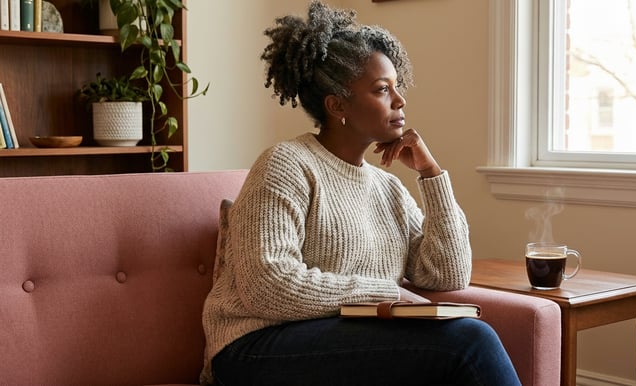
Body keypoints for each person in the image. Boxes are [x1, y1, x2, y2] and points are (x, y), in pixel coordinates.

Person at [200, 2, 521, 385]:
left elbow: (447, 273)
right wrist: (387, 293)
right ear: (337, 106)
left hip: (341, 340)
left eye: (397, 87)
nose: (399, 100)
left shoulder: (387, 188)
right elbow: (268, 287)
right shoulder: (286, 163)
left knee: (452, 349)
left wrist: (431, 175)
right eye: (382, 90)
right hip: (254, 346)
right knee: (468, 343)